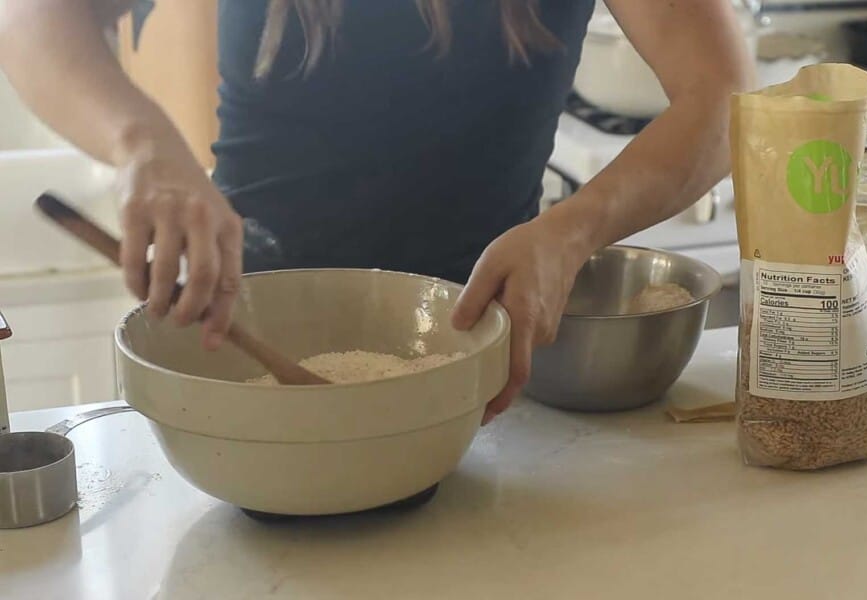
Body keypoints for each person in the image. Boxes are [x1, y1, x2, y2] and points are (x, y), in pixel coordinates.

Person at [0, 0, 753, 423]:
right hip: (241, 359)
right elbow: (36, 22)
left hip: (480, 380)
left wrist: (572, 230)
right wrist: (144, 146)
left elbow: (724, 96)